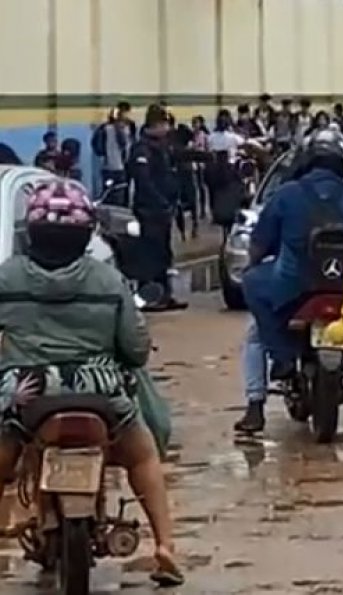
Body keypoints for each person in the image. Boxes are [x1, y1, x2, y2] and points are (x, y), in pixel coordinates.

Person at [0, 180, 182, 586]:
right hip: (100, 395)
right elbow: (135, 350)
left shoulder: (5, 277)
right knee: (142, 456)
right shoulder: (109, 279)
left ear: (29, 233)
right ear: (86, 235)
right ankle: (166, 546)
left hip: (27, 397)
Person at [237, 130, 343, 432]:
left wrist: (254, 264)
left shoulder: (286, 194)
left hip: (293, 288)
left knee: (254, 322)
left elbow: (259, 244)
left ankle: (258, 401)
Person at [129, 104, 185, 312]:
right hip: (149, 211)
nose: (168, 129)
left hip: (164, 210)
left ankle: (164, 295)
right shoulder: (141, 149)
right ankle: (149, 297)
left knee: (163, 254)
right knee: (149, 256)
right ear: (155, 125)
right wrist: (160, 202)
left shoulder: (162, 146)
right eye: (164, 124)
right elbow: (144, 182)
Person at [93, 102, 136, 203]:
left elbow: (132, 143)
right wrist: (105, 155)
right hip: (111, 166)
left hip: (126, 166)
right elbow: (97, 145)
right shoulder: (106, 128)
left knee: (124, 192)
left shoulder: (131, 126)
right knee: (111, 193)